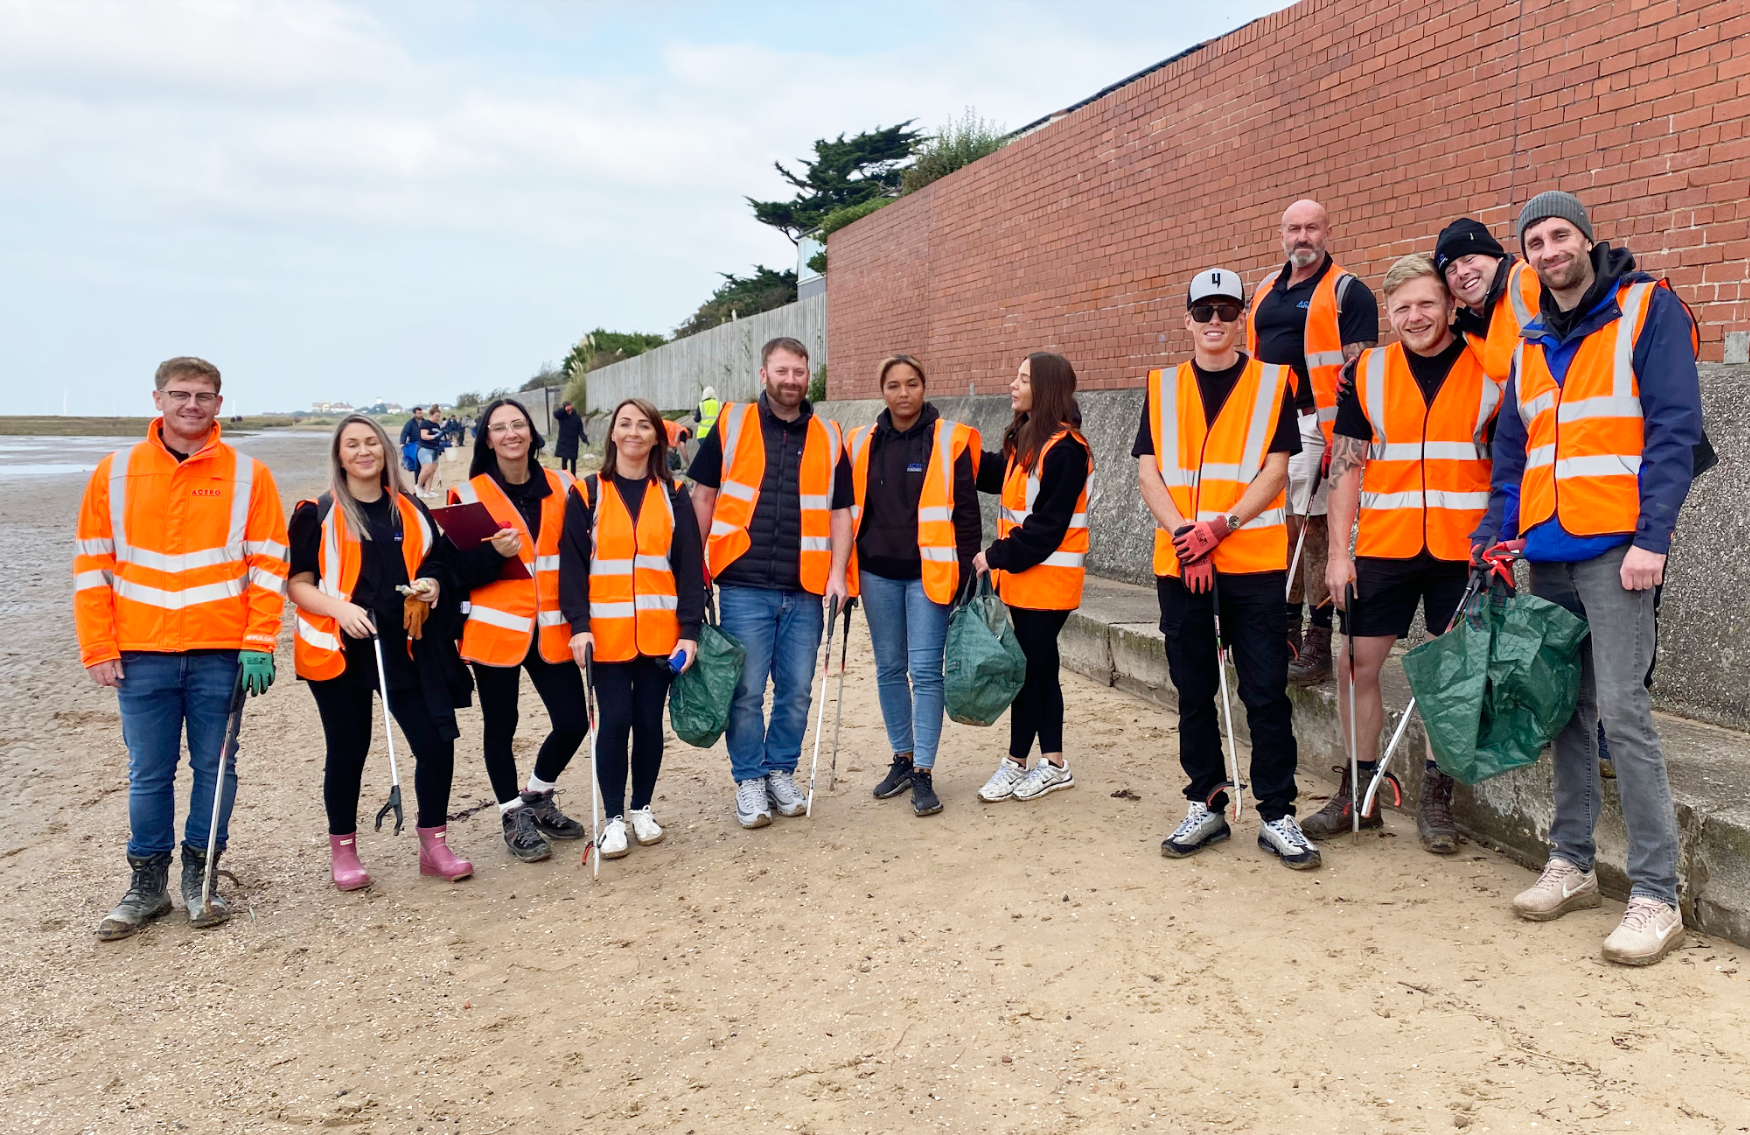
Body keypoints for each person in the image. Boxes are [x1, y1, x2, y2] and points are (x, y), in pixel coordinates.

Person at [1474, 191, 1703, 966]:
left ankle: (1655, 893)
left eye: (1559, 233)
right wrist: (1498, 536)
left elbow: (1674, 429)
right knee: (1563, 711)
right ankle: (1570, 862)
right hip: (1549, 554)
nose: (1548, 249)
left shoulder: (1644, 312)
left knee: (1625, 714)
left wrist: (1654, 538)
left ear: (1586, 238)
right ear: (1527, 258)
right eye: (1534, 240)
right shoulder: (1529, 341)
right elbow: (1513, 455)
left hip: (1619, 553)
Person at [74, 357, 289, 939]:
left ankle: (202, 876)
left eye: (202, 395)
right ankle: (147, 886)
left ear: (219, 403)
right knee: (149, 772)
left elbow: (269, 566)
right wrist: (98, 646)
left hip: (223, 653)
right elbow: (93, 566)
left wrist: (259, 642)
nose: (190, 405)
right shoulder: (114, 472)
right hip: (141, 652)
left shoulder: (249, 474)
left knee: (215, 768)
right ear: (158, 399)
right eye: (179, 394)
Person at [1320, 254, 1503, 853]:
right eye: (1402, 308)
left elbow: (1512, 464)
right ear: (1388, 315)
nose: (1415, 316)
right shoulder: (1367, 372)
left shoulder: (1490, 368)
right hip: (1384, 545)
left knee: (1450, 678)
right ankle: (1359, 791)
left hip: (1465, 551)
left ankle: (1436, 799)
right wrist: (1337, 554)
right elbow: (1346, 468)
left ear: (1450, 305)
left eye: (1427, 303)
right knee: (1352, 663)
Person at [1139, 272, 1314, 869]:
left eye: (1227, 309)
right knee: (1193, 690)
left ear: (1242, 317)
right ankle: (1207, 801)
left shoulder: (1273, 383)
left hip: (1253, 562)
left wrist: (1221, 528)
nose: (1216, 320)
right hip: (1182, 563)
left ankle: (1276, 813)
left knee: (1265, 690)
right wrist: (1186, 538)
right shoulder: (1161, 387)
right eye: (1204, 310)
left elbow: (1276, 471)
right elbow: (1149, 474)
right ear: (1187, 318)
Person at [289, 414, 474, 891]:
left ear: (387, 451)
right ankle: (344, 851)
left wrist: (431, 582)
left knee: (436, 742)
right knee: (348, 750)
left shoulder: (410, 509)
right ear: (340, 455)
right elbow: (298, 585)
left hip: (405, 646)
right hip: (341, 648)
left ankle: (434, 843)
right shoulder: (317, 511)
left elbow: (441, 559)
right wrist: (338, 609)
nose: (363, 451)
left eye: (371, 442)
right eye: (352, 444)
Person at [687, 337, 853, 829]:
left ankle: (781, 770)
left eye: (799, 372)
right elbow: (703, 498)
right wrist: (696, 568)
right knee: (744, 690)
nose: (791, 381)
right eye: (782, 371)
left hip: (805, 585)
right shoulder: (731, 423)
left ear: (808, 375)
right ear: (764, 374)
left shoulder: (829, 434)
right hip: (742, 581)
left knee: (797, 690)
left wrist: (839, 574)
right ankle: (750, 780)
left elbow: (841, 511)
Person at [448, 398, 592, 864]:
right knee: (501, 726)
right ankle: (512, 814)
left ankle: (537, 795)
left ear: (531, 432)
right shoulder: (468, 494)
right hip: (497, 630)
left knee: (573, 721)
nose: (511, 433)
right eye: (499, 427)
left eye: (518, 425)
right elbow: (453, 571)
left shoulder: (566, 485)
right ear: (486, 438)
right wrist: (492, 554)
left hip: (553, 627)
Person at [560, 397, 704, 858]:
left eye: (644, 425)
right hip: (606, 636)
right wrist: (578, 626)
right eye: (625, 424)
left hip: (661, 635)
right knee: (615, 720)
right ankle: (615, 818)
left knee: (648, 723)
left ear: (656, 436)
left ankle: (642, 808)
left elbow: (687, 566)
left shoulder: (675, 494)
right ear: (613, 434)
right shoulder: (587, 493)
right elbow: (573, 567)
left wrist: (690, 631)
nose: (634, 433)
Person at [1246, 199, 1380, 684]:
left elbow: (1358, 373)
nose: (1302, 237)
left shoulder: (1348, 292)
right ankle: (1283, 629)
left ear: (1327, 231)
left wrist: (1339, 442)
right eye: (1293, 229)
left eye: (1311, 228)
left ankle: (1318, 637)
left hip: (1317, 426)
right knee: (1279, 528)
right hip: (1271, 428)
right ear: (1281, 234)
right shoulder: (1263, 292)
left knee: (1315, 529)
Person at [844, 355, 983, 817]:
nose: (903, 394)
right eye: (893, 385)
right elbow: (844, 509)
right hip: (876, 573)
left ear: (924, 387)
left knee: (925, 673)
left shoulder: (950, 439)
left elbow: (967, 514)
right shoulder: (860, 441)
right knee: (888, 669)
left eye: (912, 384)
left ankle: (923, 770)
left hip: (929, 576)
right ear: (881, 390)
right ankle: (901, 758)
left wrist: (965, 571)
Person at [970, 352, 1090, 804]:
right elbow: (998, 478)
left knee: (1029, 672)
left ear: (1046, 389)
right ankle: (1052, 761)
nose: (1014, 385)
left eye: (1023, 379)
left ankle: (1020, 761)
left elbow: (1045, 528)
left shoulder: (1066, 451)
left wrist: (992, 555)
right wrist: (951, 447)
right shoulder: (1029, 442)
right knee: (1042, 670)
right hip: (1025, 582)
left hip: (1047, 583)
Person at [1435, 217, 1541, 383]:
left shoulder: (1526, 278)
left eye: (1469, 259)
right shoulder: (1468, 328)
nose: (1462, 272)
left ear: (1495, 256)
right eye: (1451, 270)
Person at [553, 401, 585, 475]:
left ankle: (573, 476)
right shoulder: (562, 416)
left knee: (573, 460)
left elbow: (580, 429)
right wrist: (563, 410)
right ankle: (565, 476)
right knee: (564, 460)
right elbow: (555, 414)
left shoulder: (576, 417)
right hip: (564, 441)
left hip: (573, 441)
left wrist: (584, 438)